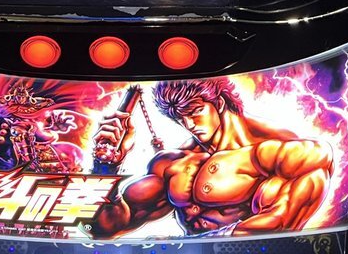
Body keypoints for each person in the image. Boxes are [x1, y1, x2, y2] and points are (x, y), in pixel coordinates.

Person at [89, 78, 332, 237]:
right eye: (179, 118)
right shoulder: (174, 163)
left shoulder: (281, 154)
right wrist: (105, 166)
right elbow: (103, 227)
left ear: (220, 102)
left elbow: (277, 226)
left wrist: (185, 247)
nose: (188, 124)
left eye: (194, 111)